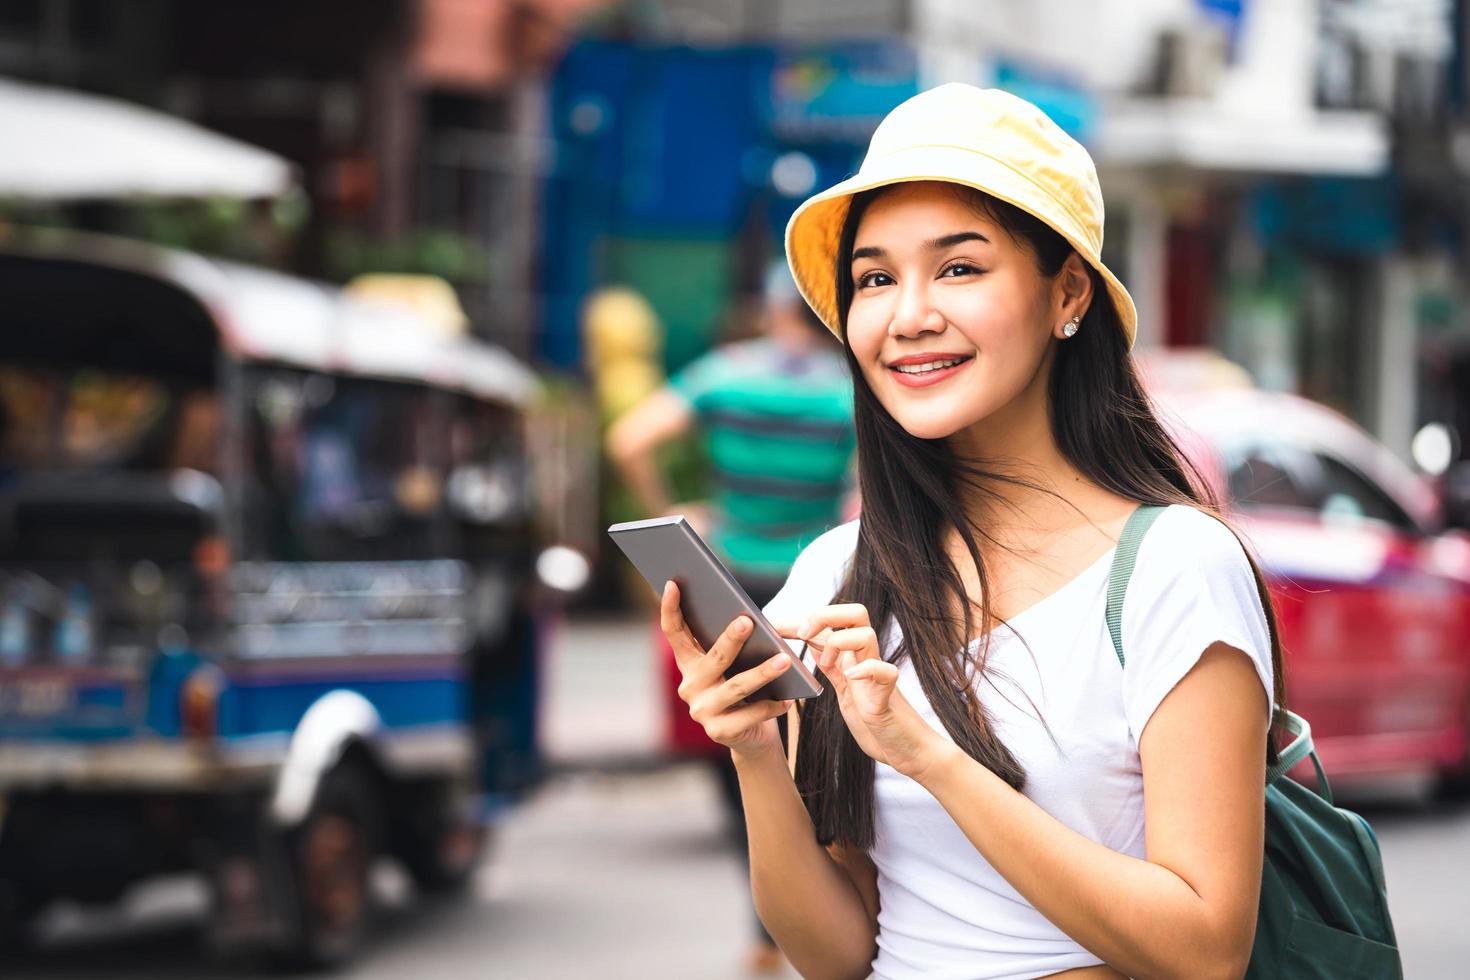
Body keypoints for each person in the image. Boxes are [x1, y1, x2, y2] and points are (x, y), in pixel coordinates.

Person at [659, 83, 1285, 980]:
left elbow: (1204, 949)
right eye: (875, 278)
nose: (908, 314)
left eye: (958, 267)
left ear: (1066, 291)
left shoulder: (1174, 567)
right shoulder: (839, 573)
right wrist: (755, 752)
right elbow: (837, 956)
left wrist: (930, 758)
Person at [606, 261, 855, 974]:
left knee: (740, 746)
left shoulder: (725, 372)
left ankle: (764, 920)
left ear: (773, 311)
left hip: (729, 581)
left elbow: (630, 439)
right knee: (807, 745)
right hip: (810, 583)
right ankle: (787, 912)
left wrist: (679, 514)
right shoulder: (846, 392)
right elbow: (869, 487)